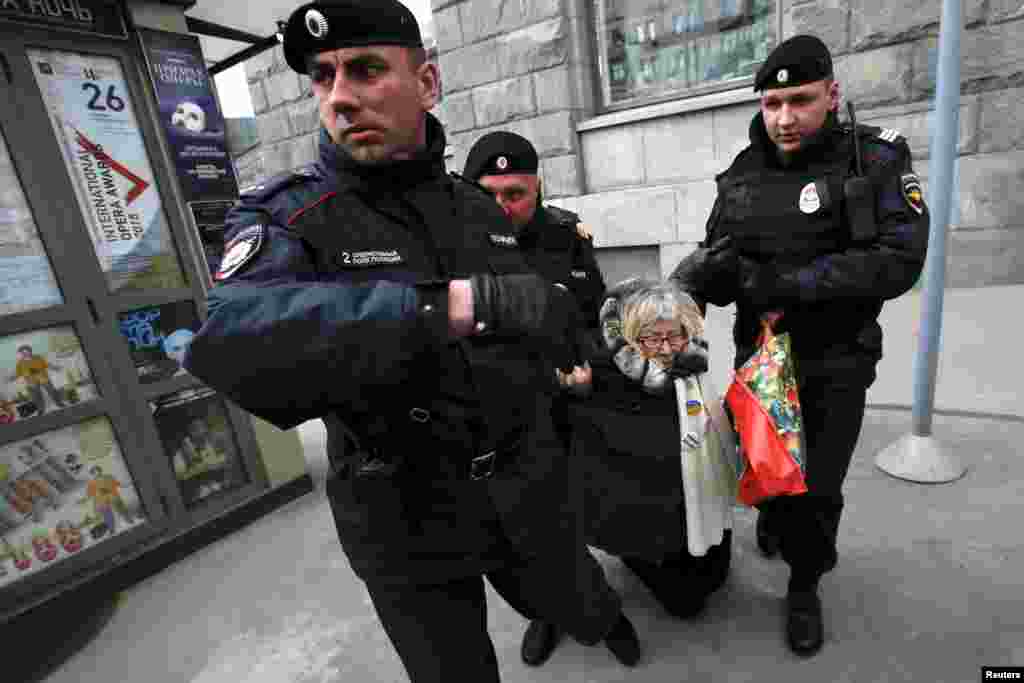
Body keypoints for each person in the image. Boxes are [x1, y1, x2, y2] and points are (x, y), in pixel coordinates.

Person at [182, 2, 640, 680]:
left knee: (575, 593)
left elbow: (527, 325)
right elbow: (235, 340)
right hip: (403, 516)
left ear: (427, 84)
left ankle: (604, 622)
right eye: (324, 76)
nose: (340, 97)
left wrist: (578, 355)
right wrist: (449, 307)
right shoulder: (287, 216)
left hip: (522, 479)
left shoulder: (477, 207)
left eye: (366, 70)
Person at [671, 34, 928, 657]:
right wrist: (681, 297)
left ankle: (805, 583)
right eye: (771, 103)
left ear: (832, 96)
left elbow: (898, 260)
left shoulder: (875, 162)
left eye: (800, 100)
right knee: (764, 465)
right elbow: (718, 263)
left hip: (837, 358)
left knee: (818, 487)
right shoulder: (741, 175)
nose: (784, 118)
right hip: (759, 358)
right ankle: (776, 518)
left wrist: (785, 282)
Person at [463, 131, 608, 666]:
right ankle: (547, 612)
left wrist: (588, 367)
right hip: (498, 418)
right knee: (524, 528)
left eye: (516, 194)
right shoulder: (454, 245)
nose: (503, 207)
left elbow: (595, 318)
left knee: (573, 507)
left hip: (566, 406)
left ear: (538, 188)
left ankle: (596, 606)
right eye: (490, 194)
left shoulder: (568, 236)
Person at [10, 345, 66, 415]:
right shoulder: (20, 363)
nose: (25, 354)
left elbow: (47, 364)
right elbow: (17, 373)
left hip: (43, 378)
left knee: (52, 391)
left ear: (30, 351)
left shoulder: (38, 357)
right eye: (22, 353)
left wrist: (55, 367)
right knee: (37, 396)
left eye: (26, 352)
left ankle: (59, 403)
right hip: (31, 382)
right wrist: (11, 378)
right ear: (20, 354)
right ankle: (41, 409)